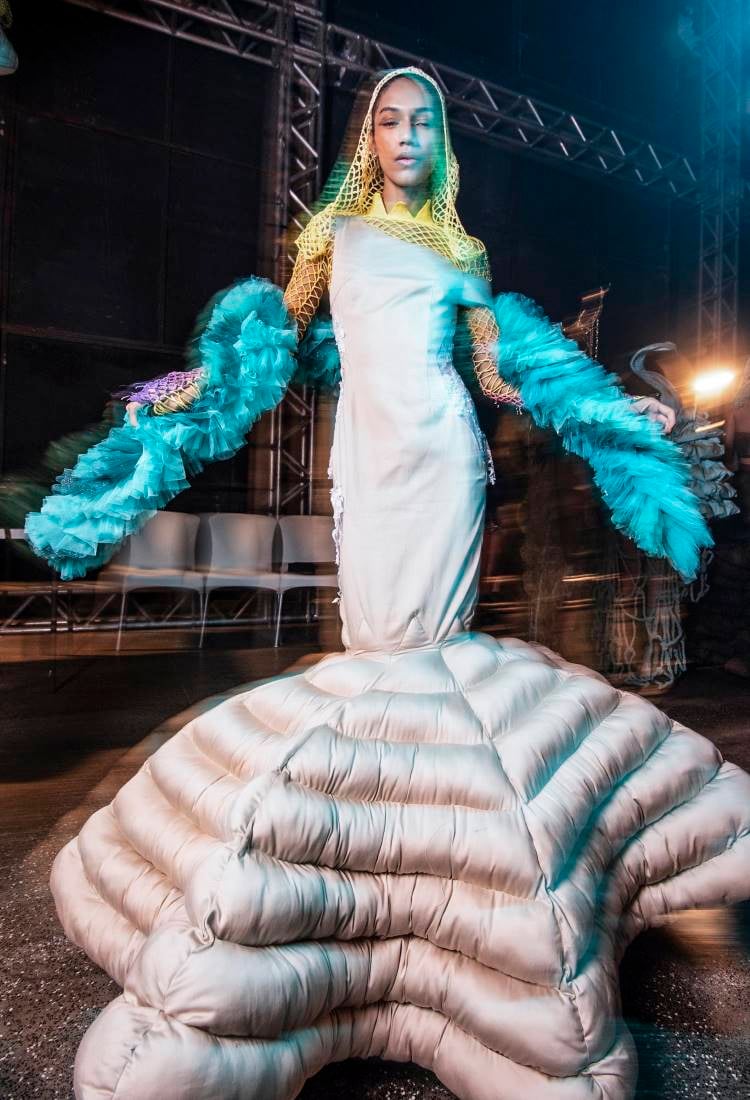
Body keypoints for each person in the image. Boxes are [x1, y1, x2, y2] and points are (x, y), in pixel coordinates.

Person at [31, 68, 750, 1100]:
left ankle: (449, 901)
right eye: (389, 117)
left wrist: (607, 413)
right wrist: (190, 385)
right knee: (378, 649)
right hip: (366, 460)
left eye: (423, 119)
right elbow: (272, 340)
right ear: (368, 135)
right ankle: (377, 900)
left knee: (427, 651)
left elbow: (497, 379)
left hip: (447, 456)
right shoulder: (331, 235)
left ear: (441, 139)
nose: (405, 131)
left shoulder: (462, 250)